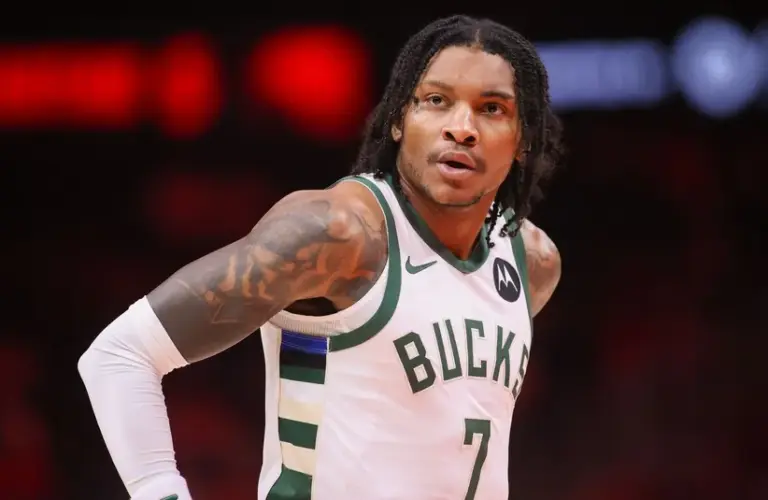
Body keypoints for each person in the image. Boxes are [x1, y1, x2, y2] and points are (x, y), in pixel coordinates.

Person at [78, 14, 564, 500]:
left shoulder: (532, 262)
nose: (461, 128)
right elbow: (119, 355)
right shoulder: (338, 236)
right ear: (398, 118)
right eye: (436, 101)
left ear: (524, 140)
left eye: (492, 108)